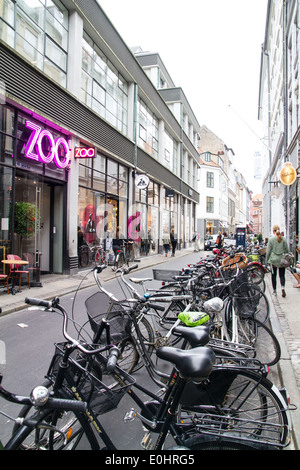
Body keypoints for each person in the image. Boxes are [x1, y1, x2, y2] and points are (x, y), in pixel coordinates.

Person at [266, 225, 289, 297]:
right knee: (282, 275)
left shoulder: (271, 239)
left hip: (273, 260)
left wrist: (267, 260)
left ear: (273, 231)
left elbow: (268, 251)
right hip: (281, 259)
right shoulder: (284, 239)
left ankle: (274, 291)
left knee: (274, 275)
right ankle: (282, 287)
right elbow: (287, 250)